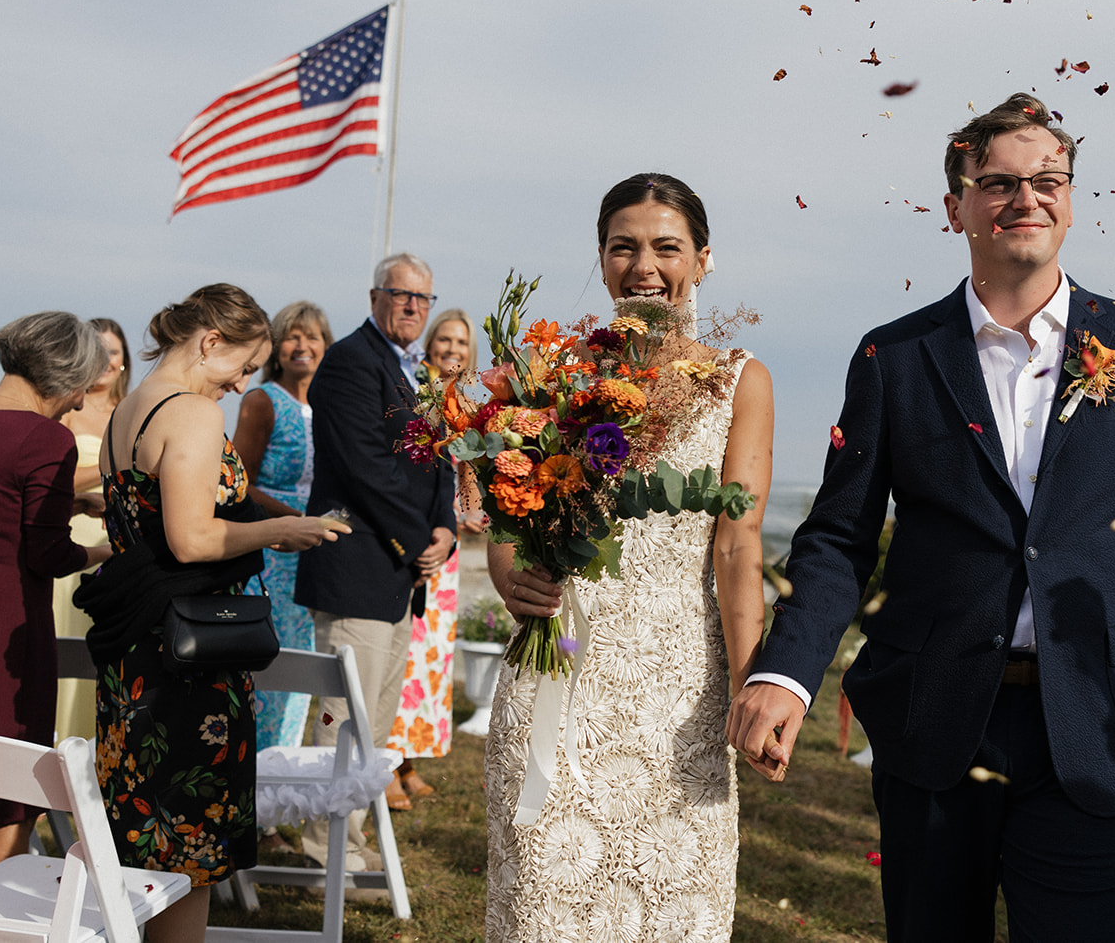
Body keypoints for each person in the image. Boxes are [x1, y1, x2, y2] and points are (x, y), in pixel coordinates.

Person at [728, 94, 1115, 941]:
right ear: (956, 205)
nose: (1025, 198)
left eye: (1047, 179)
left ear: (1071, 199)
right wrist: (785, 672)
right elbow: (838, 538)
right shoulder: (894, 355)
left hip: (1096, 724)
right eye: (998, 182)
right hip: (935, 719)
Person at [484, 172, 774, 942]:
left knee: (674, 901)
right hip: (558, 672)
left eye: (666, 247)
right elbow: (505, 514)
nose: (644, 266)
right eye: (624, 247)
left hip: (679, 684)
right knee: (546, 902)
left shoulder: (739, 382)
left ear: (703, 259)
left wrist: (754, 685)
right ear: (603, 258)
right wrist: (513, 575)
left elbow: (738, 545)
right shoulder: (550, 376)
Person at [79, 285, 343, 941]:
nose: (240, 384)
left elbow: (135, 535)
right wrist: (282, 530)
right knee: (185, 849)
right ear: (209, 343)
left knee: (142, 840)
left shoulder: (128, 410)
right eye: (242, 367)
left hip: (133, 656)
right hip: (184, 665)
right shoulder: (192, 413)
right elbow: (191, 539)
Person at [294, 254, 456, 873]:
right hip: (358, 566)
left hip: (400, 575)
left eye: (424, 298)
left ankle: (348, 843)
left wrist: (442, 526)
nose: (414, 306)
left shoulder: (415, 372)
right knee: (344, 721)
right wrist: (419, 537)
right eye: (401, 294)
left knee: (376, 723)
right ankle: (319, 853)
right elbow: (366, 465)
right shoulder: (350, 364)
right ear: (375, 295)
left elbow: (439, 459)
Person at [0, 311, 112, 862]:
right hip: (12, 630)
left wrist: (68, 501)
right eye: (79, 389)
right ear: (61, 376)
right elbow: (48, 553)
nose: (80, 405)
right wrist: (107, 550)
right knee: (13, 793)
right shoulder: (47, 437)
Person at [385, 307, 488, 809]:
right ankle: (385, 764)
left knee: (431, 655)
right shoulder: (414, 393)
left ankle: (408, 761)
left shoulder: (465, 401)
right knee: (403, 653)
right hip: (417, 536)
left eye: (461, 342)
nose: (452, 348)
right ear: (429, 347)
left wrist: (471, 513)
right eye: (444, 339)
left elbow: (466, 470)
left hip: (449, 544)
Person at [232, 301, 333, 752]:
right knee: (269, 667)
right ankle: (258, 781)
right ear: (276, 346)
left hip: (319, 550)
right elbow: (239, 483)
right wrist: (294, 519)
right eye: (292, 335)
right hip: (271, 551)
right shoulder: (263, 400)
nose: (302, 345)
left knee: (304, 668)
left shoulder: (332, 405)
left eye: (312, 336)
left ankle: (284, 775)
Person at [53, 317, 130, 740]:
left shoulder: (131, 409)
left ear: (123, 362)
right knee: (67, 634)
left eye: (112, 352)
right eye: (96, 351)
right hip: (73, 530)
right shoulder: (65, 407)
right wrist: (109, 469)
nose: (104, 360)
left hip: (116, 534)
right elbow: (55, 477)